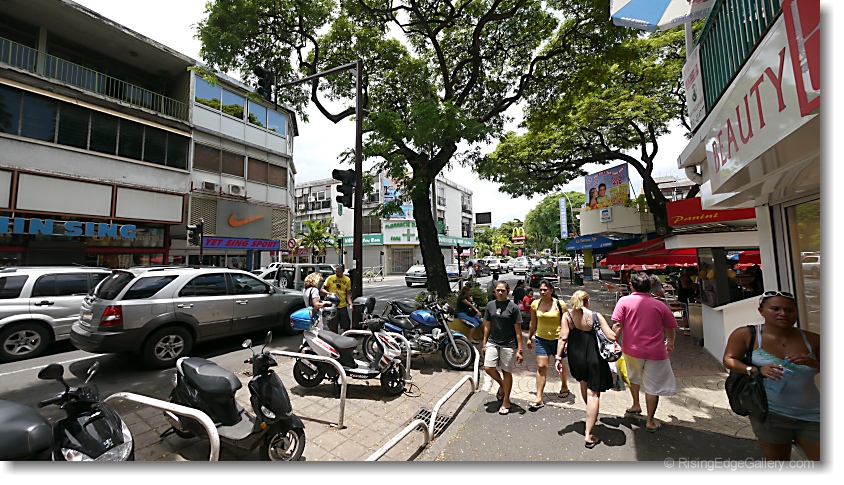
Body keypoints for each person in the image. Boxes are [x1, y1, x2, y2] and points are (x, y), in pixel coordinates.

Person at [722, 291, 819, 461]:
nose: (783, 313)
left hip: (814, 414)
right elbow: (729, 359)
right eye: (775, 309)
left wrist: (814, 363)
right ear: (761, 311)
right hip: (770, 414)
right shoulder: (746, 334)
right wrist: (754, 370)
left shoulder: (813, 339)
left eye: (789, 310)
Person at [611, 273, 678, 432]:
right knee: (653, 386)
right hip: (656, 352)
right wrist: (670, 343)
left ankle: (635, 405)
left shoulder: (624, 301)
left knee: (633, 377)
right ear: (650, 286)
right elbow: (670, 327)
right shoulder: (660, 305)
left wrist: (613, 342)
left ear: (632, 286)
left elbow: (618, 325)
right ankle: (650, 421)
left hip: (631, 350)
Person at [557, 290, 617, 448]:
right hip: (593, 356)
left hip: (576, 356)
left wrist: (557, 358)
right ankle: (589, 434)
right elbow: (612, 336)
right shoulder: (595, 316)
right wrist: (618, 327)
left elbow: (563, 338)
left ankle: (589, 415)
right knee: (593, 394)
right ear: (587, 301)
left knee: (583, 383)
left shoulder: (567, 316)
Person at [527, 280, 571, 410]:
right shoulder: (535, 304)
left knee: (560, 364)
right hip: (541, 339)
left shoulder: (560, 304)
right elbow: (533, 322)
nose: (542, 292)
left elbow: (567, 322)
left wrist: (567, 339)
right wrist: (529, 337)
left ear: (551, 291)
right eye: (540, 290)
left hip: (558, 340)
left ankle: (564, 385)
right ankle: (539, 397)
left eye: (545, 290)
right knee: (542, 366)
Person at [482, 280, 524, 415]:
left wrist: (520, 350)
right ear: (494, 291)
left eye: (503, 290)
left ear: (508, 292)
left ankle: (506, 401)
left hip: (509, 344)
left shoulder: (513, 308)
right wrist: (484, 343)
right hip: (493, 341)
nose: (500, 292)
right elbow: (487, 325)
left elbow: (518, 331)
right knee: (488, 368)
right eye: (498, 290)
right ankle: (501, 385)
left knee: (507, 372)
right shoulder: (490, 305)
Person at [320, 265, 352, 333]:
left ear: (343, 271)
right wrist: (328, 294)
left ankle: (345, 337)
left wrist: (350, 303)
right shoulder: (330, 278)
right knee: (333, 326)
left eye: (339, 272)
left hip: (342, 305)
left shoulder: (347, 280)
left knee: (346, 325)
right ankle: (335, 338)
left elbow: (348, 294)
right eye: (336, 271)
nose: (337, 273)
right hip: (332, 306)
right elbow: (322, 289)